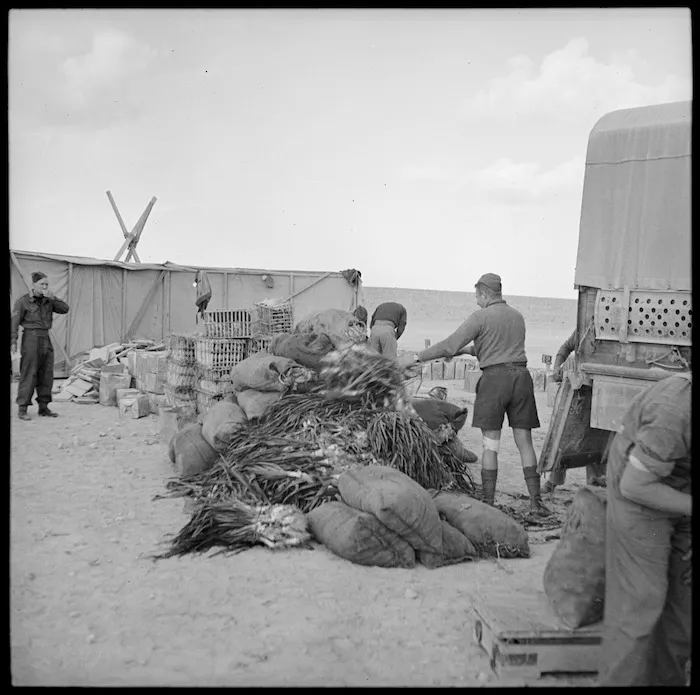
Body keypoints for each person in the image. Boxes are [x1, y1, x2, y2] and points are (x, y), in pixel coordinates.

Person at [398, 273, 550, 516]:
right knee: (525, 442)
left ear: (484, 294)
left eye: (477, 297)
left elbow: (449, 344)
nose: (476, 301)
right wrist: (462, 353)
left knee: (491, 444)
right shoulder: (517, 316)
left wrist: (416, 357)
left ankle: (489, 504)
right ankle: (535, 502)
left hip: (495, 381)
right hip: (521, 379)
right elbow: (489, 348)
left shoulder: (481, 316)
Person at [599, 370, 691, 686]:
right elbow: (635, 486)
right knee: (640, 604)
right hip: (640, 498)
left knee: (683, 608)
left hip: (679, 487)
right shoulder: (675, 410)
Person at [542, 329, 607, 493]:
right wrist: (557, 368)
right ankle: (552, 482)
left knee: (596, 441)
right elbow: (564, 349)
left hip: (601, 392)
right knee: (565, 436)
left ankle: (594, 485)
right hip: (578, 392)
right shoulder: (583, 329)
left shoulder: (608, 334)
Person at [10, 272, 70, 420]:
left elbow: (65, 309)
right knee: (29, 372)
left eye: (46, 284)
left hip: (45, 338)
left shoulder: (49, 301)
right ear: (33, 285)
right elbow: (14, 323)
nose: (44, 287)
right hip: (30, 337)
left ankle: (44, 407)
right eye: (42, 284)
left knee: (46, 374)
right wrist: (13, 341)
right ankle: (22, 408)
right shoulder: (23, 301)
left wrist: (53, 298)